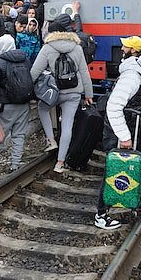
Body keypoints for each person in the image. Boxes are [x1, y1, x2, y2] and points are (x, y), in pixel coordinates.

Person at [93, 42, 141, 230]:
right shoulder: (131, 77)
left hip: (136, 128)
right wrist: (123, 136)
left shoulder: (140, 74)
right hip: (120, 131)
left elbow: (138, 98)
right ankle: (101, 215)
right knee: (114, 172)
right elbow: (114, 106)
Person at [29, 14, 94, 173]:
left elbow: (34, 72)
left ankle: (51, 140)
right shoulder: (77, 47)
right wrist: (89, 94)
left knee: (42, 109)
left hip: (54, 91)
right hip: (74, 92)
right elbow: (85, 73)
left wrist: (28, 90)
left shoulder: (48, 47)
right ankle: (60, 162)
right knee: (67, 125)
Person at [0, 35, 32, 176]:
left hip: (5, 106)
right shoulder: (26, 60)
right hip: (23, 104)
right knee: (19, 136)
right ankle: (15, 165)